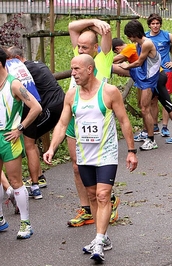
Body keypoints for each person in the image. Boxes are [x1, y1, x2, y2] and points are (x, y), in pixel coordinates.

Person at [43, 54, 138, 262]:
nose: (73, 73)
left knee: (104, 195)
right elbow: (61, 124)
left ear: (89, 69)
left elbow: (124, 121)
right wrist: (52, 148)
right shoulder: (71, 95)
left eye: (76, 69)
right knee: (93, 196)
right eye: (71, 69)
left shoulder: (109, 92)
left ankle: (98, 240)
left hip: (106, 153)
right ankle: (102, 237)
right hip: (85, 154)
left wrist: (131, 151)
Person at [67, 18, 120, 227]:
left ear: (96, 48)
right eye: (78, 47)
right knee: (77, 166)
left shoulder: (103, 59)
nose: (80, 51)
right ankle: (87, 209)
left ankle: (108, 199)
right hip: (76, 116)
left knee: (99, 166)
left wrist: (102, 26)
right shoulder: (78, 57)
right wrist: (93, 21)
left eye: (85, 47)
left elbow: (105, 35)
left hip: (98, 120)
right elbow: (72, 27)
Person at [7, 46, 65, 200]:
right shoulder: (35, 64)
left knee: (29, 144)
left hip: (45, 108)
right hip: (53, 104)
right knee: (30, 142)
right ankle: (38, 178)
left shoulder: (17, 68)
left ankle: (34, 183)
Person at [0, 46, 42, 239]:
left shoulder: (14, 84)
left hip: (10, 138)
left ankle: (26, 223)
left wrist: (20, 128)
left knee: (15, 181)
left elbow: (36, 107)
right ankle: (1, 219)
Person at [118, 19, 161, 151]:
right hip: (143, 73)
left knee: (144, 108)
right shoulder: (139, 43)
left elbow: (138, 62)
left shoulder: (146, 43)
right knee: (114, 67)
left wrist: (127, 66)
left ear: (134, 34)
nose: (128, 38)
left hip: (149, 78)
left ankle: (151, 139)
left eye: (129, 35)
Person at [146, 13, 172, 143]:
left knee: (165, 101)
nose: (155, 26)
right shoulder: (146, 37)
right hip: (152, 73)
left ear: (160, 24)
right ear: (149, 25)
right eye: (153, 24)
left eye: (157, 23)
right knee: (153, 100)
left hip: (166, 71)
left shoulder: (166, 35)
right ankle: (155, 125)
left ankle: (165, 126)